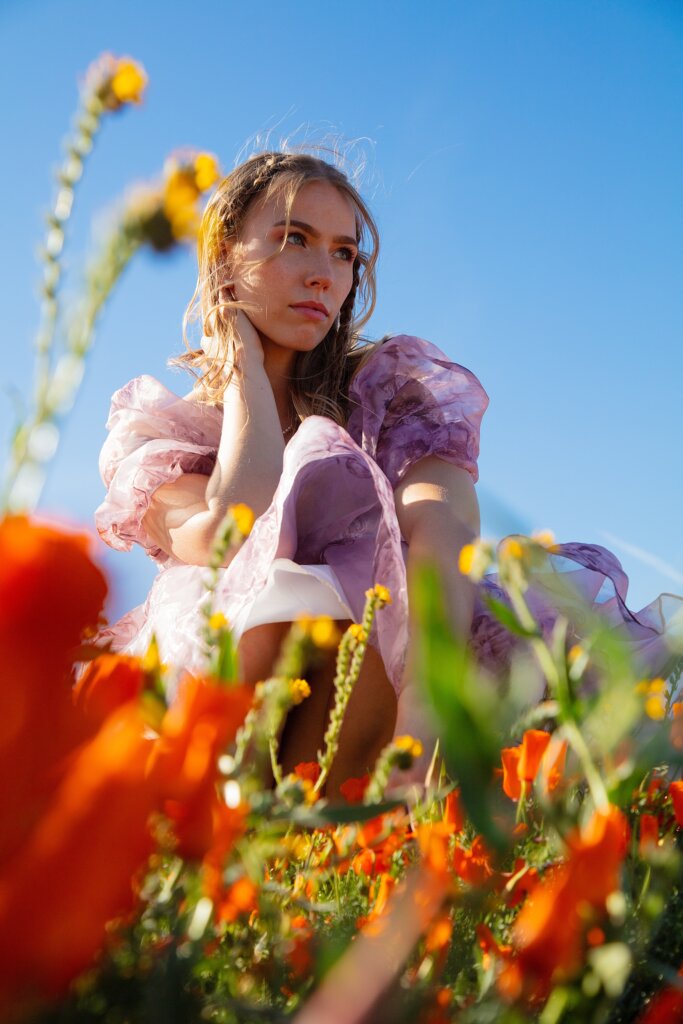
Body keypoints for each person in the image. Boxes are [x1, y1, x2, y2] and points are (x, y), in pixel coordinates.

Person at [94, 150, 681, 800]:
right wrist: (244, 378)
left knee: (393, 606)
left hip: (407, 672)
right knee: (276, 596)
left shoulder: (388, 394)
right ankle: (250, 837)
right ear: (226, 254)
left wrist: (421, 728)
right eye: (294, 239)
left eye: (343, 253)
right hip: (234, 693)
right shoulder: (158, 437)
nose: (323, 275)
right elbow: (233, 533)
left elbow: (443, 530)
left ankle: (370, 820)